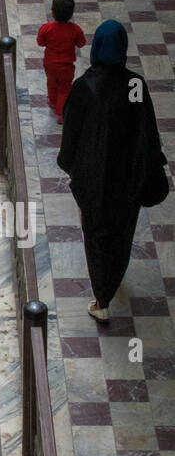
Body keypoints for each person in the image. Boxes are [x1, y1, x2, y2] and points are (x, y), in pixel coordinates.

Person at [57, 21, 169, 323]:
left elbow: (73, 131)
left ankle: (101, 298)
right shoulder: (135, 85)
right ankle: (112, 280)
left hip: (93, 178)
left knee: (96, 232)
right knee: (121, 232)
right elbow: (145, 128)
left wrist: (68, 164)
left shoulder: (86, 86)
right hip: (128, 177)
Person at [37, 0, 85, 124]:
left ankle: (52, 101)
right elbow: (81, 43)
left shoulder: (46, 28)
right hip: (67, 66)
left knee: (51, 83)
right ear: (71, 14)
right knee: (64, 88)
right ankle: (61, 113)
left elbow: (40, 42)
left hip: (50, 64)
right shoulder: (75, 29)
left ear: (52, 12)